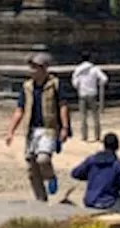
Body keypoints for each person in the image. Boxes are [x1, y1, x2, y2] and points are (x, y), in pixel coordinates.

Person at [5, 52, 72, 202]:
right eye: (31, 67)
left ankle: (51, 176)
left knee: (43, 159)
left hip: (48, 128)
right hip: (31, 130)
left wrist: (65, 127)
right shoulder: (27, 87)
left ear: (44, 69)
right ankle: (40, 199)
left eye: (35, 67)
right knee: (31, 167)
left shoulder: (54, 84)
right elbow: (19, 110)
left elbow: (63, 106)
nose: (32, 70)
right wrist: (11, 131)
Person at [71, 132, 120, 212]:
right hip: (108, 203)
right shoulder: (118, 165)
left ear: (104, 145)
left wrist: (91, 176)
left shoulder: (91, 160)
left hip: (90, 202)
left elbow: (75, 173)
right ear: (117, 147)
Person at [71, 51, 108, 142]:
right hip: (92, 94)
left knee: (83, 117)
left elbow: (75, 83)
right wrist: (99, 84)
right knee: (95, 116)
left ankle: (84, 136)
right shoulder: (94, 69)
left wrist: (79, 87)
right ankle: (97, 136)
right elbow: (104, 78)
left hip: (82, 94)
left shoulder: (78, 69)